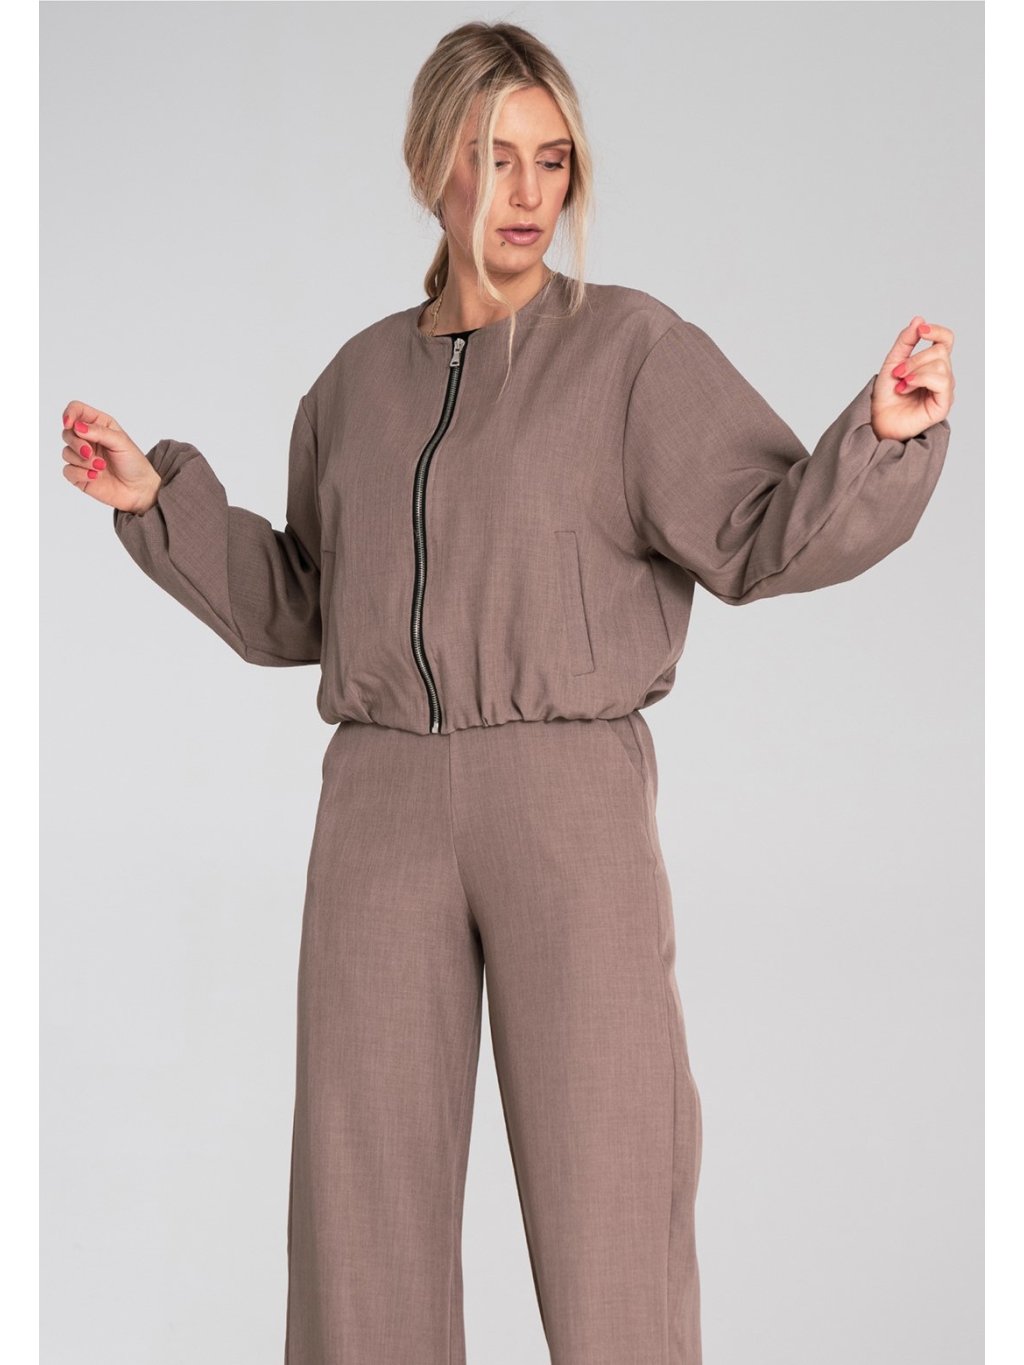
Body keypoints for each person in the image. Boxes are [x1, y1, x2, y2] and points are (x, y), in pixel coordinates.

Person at [60, 20, 954, 1365]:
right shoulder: (355, 385)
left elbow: (759, 533)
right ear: (434, 167)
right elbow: (306, 602)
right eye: (496, 157)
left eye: (554, 159)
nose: (530, 192)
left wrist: (877, 440)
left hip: (565, 794)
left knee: (611, 1186)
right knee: (360, 1204)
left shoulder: (629, 352)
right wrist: (158, 506)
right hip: (379, 800)